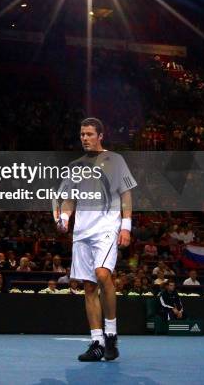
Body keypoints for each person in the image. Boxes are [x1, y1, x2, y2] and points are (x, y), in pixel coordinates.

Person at [57, 117, 137, 362]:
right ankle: (97, 343)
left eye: (89, 134)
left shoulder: (116, 160)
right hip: (82, 232)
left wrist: (126, 226)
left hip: (106, 229)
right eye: (82, 134)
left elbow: (126, 193)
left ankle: (111, 334)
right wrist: (65, 216)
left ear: (100, 135)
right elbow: (68, 198)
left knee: (103, 275)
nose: (85, 138)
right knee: (89, 287)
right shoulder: (75, 166)